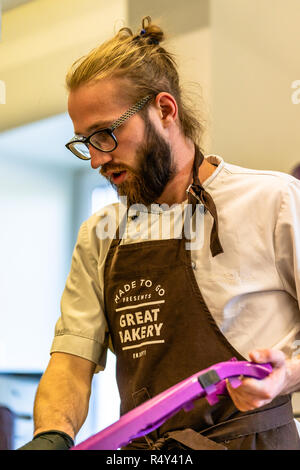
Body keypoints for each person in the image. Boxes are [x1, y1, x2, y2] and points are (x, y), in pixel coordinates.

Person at [19, 16, 300, 451]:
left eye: (106, 134)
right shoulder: (101, 235)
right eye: (84, 142)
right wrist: (50, 436)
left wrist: (285, 375)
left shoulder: (272, 201)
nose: (95, 159)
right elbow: (72, 361)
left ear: (165, 110)